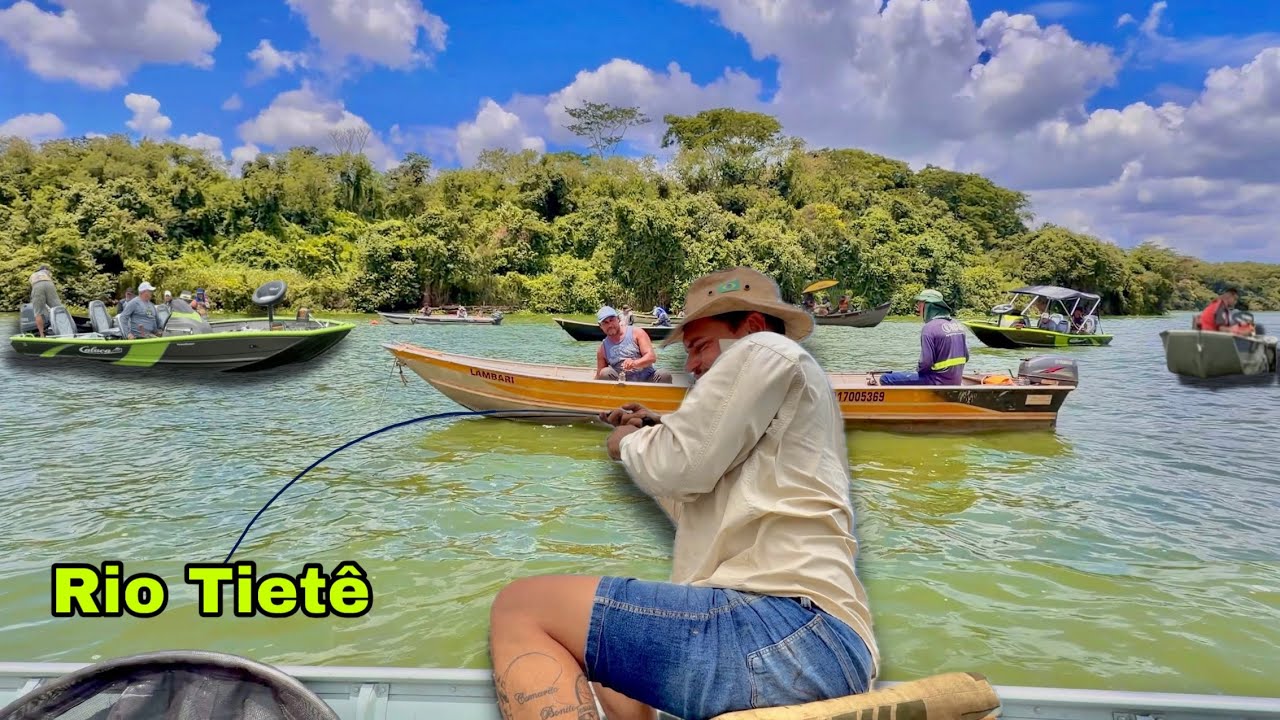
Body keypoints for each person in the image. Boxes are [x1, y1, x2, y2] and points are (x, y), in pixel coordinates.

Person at [487, 267, 878, 720]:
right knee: (597, 658)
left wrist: (627, 444)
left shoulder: (766, 347)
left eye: (699, 346)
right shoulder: (782, 402)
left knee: (519, 607)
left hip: (782, 630)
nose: (690, 365)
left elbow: (680, 468)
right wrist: (659, 430)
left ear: (749, 327)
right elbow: (692, 497)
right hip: (812, 647)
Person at [872, 289, 969, 386]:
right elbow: (966, 357)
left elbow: (926, 363)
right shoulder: (957, 325)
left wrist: (916, 371)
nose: (918, 307)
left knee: (885, 378)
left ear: (929, 306)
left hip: (936, 381)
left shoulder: (929, 328)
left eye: (920, 303)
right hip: (955, 381)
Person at [594, 306, 672, 383]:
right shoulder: (602, 349)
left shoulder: (637, 333)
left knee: (664, 375)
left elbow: (651, 357)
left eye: (612, 320)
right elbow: (599, 375)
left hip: (648, 380)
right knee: (605, 372)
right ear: (600, 326)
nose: (610, 325)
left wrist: (634, 363)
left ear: (618, 319)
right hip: (622, 384)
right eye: (605, 322)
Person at [28, 265, 62, 338]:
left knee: (38, 312)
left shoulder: (33, 275)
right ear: (46, 269)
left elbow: (33, 287)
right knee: (58, 308)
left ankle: (42, 335)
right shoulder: (47, 272)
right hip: (49, 284)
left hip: (36, 285)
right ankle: (62, 330)